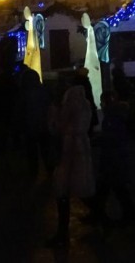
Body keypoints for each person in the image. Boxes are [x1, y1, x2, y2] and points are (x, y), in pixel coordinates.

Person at [46, 83, 95, 248]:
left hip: (68, 151)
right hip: (81, 149)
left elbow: (56, 127)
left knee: (63, 193)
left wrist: (53, 114)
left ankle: (62, 234)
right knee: (81, 190)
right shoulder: (85, 103)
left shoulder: (67, 106)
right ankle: (101, 216)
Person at [85, 91, 135, 231]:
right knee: (108, 189)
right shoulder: (115, 115)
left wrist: (96, 141)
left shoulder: (112, 118)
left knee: (115, 189)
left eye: (102, 101)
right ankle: (99, 214)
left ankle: (127, 216)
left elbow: (111, 137)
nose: (101, 104)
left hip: (113, 159)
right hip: (115, 158)